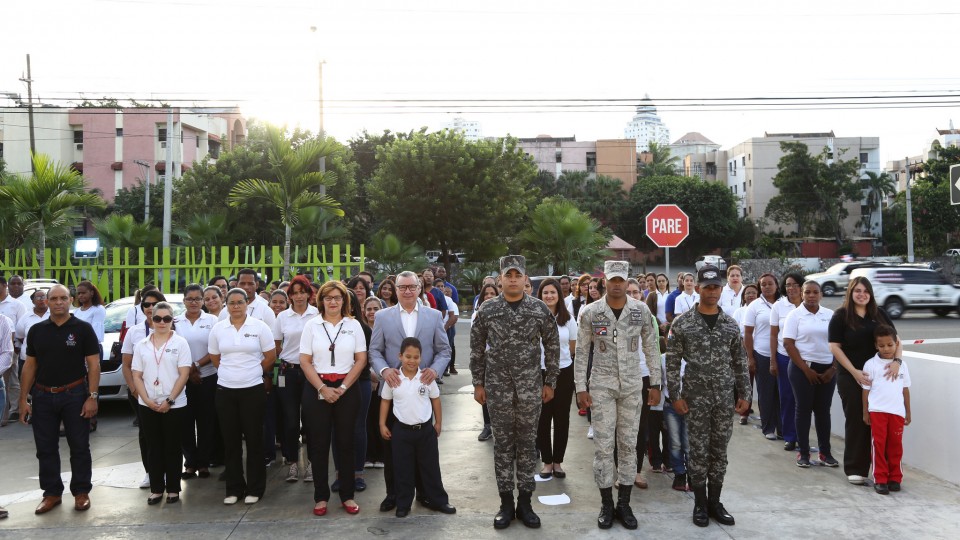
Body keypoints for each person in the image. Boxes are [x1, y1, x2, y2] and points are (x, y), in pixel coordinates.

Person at [471, 255, 560, 530]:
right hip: (497, 389)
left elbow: (553, 344)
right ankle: (506, 503)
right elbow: (476, 348)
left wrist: (550, 381)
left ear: (524, 279)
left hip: (530, 388)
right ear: (500, 279)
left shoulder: (539, 309)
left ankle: (526, 502)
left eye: (517, 275)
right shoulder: (487, 310)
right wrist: (478, 383)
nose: (512, 279)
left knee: (526, 446)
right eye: (507, 275)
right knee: (502, 447)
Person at [575, 261, 661, 530]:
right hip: (600, 385)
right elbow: (581, 352)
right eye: (611, 280)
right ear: (605, 282)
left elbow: (651, 346)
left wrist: (656, 383)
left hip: (632, 385)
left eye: (620, 280)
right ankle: (606, 503)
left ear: (627, 282)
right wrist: (580, 387)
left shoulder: (641, 310)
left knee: (628, 443)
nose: (616, 284)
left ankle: (624, 503)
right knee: (602, 446)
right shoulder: (590, 312)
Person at [666, 265, 750, 528]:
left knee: (719, 452)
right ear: (698, 288)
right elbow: (671, 363)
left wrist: (745, 393)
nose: (712, 292)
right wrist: (675, 396)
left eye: (716, 287)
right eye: (707, 287)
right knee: (698, 452)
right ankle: (700, 504)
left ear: (721, 289)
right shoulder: (683, 323)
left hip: (724, 398)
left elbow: (740, 361)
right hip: (695, 398)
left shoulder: (730, 325)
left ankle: (716, 501)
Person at [369, 271, 451, 513]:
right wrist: (384, 371)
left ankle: (427, 494)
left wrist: (434, 371)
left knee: (424, 452)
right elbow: (374, 350)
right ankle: (395, 495)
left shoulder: (434, 316)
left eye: (411, 287)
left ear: (419, 288)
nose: (407, 291)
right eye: (402, 287)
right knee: (393, 449)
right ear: (395, 290)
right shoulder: (383, 317)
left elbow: (444, 351)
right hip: (393, 390)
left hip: (422, 391)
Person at [19, 285, 101, 515]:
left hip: (74, 395)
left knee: (79, 446)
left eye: (63, 298)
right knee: (45, 448)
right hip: (43, 396)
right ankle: (52, 493)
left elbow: (94, 365)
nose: (58, 302)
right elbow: (30, 365)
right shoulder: (37, 331)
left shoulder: (82, 329)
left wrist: (92, 397)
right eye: (53, 298)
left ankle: (81, 492)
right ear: (46, 302)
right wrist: (24, 398)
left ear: (71, 300)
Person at [299, 281, 366, 516]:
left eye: (337, 297)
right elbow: (305, 361)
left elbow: (361, 360)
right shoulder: (312, 325)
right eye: (328, 298)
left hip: (346, 389)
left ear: (344, 300)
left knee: (346, 443)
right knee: (318, 445)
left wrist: (343, 387)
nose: (333, 301)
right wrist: (322, 389)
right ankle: (320, 497)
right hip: (317, 387)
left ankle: (347, 495)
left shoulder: (354, 325)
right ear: (321, 301)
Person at [828, 276, 901, 485]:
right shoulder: (841, 316)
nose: (862, 294)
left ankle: (884, 472)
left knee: (880, 423)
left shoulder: (879, 314)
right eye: (857, 290)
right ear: (850, 292)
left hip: (879, 378)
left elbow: (897, 341)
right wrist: (854, 372)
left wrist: (897, 361)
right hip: (851, 377)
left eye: (866, 290)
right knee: (858, 420)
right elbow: (834, 347)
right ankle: (856, 468)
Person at [208, 288, 277, 505]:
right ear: (226, 305)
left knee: (255, 440)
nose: (235, 306)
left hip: (253, 390)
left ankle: (255, 489)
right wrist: (232, 374)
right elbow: (215, 358)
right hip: (225, 391)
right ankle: (234, 488)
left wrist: (253, 371)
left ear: (247, 303)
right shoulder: (218, 329)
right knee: (231, 441)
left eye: (240, 302)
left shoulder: (260, 327)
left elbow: (270, 356)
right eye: (232, 303)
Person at [379, 337, 455, 517]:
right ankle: (403, 504)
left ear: (421, 358)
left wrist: (438, 422)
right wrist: (382, 424)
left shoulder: (426, 378)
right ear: (400, 356)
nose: (412, 361)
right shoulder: (394, 379)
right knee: (403, 469)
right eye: (408, 357)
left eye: (416, 357)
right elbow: (385, 401)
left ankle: (438, 500)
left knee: (430, 467)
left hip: (425, 431)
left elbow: (435, 400)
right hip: (401, 432)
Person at [131, 302, 191, 505]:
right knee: (153, 447)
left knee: (172, 447)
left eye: (167, 318)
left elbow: (184, 374)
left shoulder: (180, 343)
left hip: (175, 404)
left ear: (172, 320)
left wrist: (169, 400)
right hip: (147, 404)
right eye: (158, 318)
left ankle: (173, 489)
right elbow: (136, 375)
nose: (162, 322)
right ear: (151, 320)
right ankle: (157, 489)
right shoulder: (142, 345)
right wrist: (147, 400)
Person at [783, 281, 838, 468]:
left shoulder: (830, 315)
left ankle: (825, 453)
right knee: (803, 410)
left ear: (821, 295)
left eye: (815, 292)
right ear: (802, 294)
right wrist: (806, 370)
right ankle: (804, 453)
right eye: (808, 292)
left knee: (823, 412)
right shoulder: (795, 315)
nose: (812, 295)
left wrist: (833, 369)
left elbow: (839, 345)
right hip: (802, 369)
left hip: (828, 371)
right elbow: (789, 344)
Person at [273, 275, 319, 483]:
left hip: (311, 372)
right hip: (288, 372)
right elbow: (276, 346)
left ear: (309, 294)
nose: (299, 296)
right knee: (290, 420)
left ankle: (311, 464)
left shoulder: (317, 315)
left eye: (303, 292)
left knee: (311, 421)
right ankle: (292, 462)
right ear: (289, 295)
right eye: (295, 292)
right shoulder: (282, 317)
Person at [121, 289, 167, 489]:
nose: (150, 308)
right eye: (146, 305)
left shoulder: (174, 328)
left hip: (168, 392)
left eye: (154, 304)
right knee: (146, 434)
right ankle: (150, 472)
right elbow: (126, 364)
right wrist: (133, 389)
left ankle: (168, 471)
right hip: (141, 392)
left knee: (168, 433)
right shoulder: (134, 331)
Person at [861, 325, 911, 495]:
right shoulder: (870, 365)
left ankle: (895, 477)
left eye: (890, 345)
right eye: (881, 346)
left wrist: (908, 412)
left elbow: (905, 390)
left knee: (895, 445)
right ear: (876, 346)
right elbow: (865, 391)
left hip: (897, 413)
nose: (886, 349)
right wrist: (865, 412)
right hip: (877, 412)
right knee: (879, 445)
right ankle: (880, 478)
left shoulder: (902, 366)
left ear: (896, 344)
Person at [535, 278, 577, 481]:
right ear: (540, 295)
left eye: (553, 292)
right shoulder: (534, 317)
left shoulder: (568, 318)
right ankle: (547, 462)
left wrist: (558, 359)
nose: (549, 296)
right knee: (542, 419)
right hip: (539, 373)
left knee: (562, 419)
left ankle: (558, 462)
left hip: (564, 372)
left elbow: (572, 346)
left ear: (559, 295)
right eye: (545, 293)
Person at [177, 284, 220, 479]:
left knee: (206, 422)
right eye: (189, 299)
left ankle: (203, 462)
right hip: (182, 379)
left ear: (203, 301)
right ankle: (190, 463)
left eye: (197, 299)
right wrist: (189, 369)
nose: (194, 302)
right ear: (184, 301)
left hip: (208, 377)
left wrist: (196, 365)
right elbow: (174, 348)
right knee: (185, 423)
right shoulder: (175, 322)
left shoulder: (212, 320)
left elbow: (215, 348)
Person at [743, 273, 782, 441]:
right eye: (763, 284)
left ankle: (783, 428)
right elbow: (748, 333)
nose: (766, 287)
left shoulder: (784, 304)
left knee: (782, 393)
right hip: (762, 354)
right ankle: (768, 427)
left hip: (783, 354)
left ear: (776, 285)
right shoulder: (755, 306)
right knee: (766, 393)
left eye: (770, 284)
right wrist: (750, 357)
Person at [769, 272, 803, 452]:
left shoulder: (809, 304)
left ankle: (803, 437)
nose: (791, 288)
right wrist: (773, 360)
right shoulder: (778, 306)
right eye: (788, 285)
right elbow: (774, 334)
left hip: (805, 358)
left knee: (804, 400)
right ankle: (790, 437)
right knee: (788, 398)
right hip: (784, 357)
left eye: (795, 284)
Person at [74, 281, 106, 431]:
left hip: (92, 350)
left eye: (83, 293)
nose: (80, 296)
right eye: (78, 293)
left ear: (91, 293)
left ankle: (92, 420)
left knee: (92, 383)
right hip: (77, 351)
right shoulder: (77, 311)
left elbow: (96, 334)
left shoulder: (97, 309)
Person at [472, 283, 500, 442]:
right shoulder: (477, 315)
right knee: (485, 395)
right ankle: (488, 426)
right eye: (486, 294)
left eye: (492, 293)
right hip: (484, 361)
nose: (489, 296)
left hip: (499, 363)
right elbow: (476, 342)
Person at [0, 274, 27, 426]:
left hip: (12, 348)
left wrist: (16, 346)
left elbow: (21, 327)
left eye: (19, 284)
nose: (16, 286)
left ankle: (14, 410)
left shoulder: (16, 305)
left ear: (4, 286)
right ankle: (3, 413)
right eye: (13, 283)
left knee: (12, 381)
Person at [732, 283, 759, 425]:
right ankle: (744, 413)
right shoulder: (739, 312)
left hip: (762, 350)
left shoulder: (765, 310)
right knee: (746, 383)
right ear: (744, 296)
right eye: (748, 293)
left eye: (754, 292)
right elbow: (736, 334)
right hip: (744, 350)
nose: (751, 295)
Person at [435, 280, 459, 377]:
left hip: (447, 328)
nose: (440, 288)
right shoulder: (431, 297)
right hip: (436, 329)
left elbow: (454, 316)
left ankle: (445, 369)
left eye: (442, 286)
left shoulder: (449, 301)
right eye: (438, 286)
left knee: (447, 348)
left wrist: (444, 328)